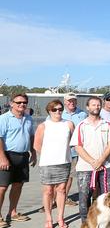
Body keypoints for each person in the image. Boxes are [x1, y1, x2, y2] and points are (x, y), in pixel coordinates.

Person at [70, 96, 110, 226]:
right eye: (93, 105)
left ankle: (108, 224)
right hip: (85, 168)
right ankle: (87, 224)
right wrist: (92, 162)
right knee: (84, 198)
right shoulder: (81, 125)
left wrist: (101, 160)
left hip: (105, 166)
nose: (96, 107)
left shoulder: (107, 124)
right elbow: (77, 146)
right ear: (87, 107)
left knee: (109, 197)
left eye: (98, 105)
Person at [34, 100, 74, 228]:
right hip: (47, 163)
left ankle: (60, 218)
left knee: (61, 190)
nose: (58, 111)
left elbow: (74, 142)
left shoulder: (68, 124)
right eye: (54, 109)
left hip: (64, 162)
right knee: (48, 191)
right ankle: (48, 219)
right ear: (49, 111)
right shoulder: (43, 126)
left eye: (60, 109)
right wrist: (48, 155)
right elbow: (37, 145)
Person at [0, 94, 36, 227]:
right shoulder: (4, 119)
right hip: (7, 155)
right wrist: (2, 157)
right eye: (19, 102)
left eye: (24, 102)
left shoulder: (28, 118)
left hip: (23, 156)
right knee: (2, 187)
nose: (22, 104)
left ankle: (13, 213)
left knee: (18, 185)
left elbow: (31, 136)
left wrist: (33, 152)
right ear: (11, 103)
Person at [61, 93, 87, 207]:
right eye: (69, 101)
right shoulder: (58, 112)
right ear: (65, 101)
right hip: (60, 151)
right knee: (58, 176)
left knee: (70, 176)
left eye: (73, 101)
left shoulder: (82, 114)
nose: (71, 102)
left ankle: (64, 198)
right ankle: (54, 200)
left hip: (76, 151)